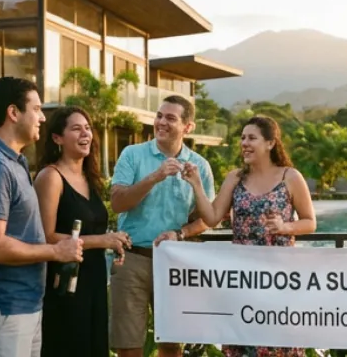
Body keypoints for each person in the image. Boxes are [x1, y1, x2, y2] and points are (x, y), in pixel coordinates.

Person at [0, 76, 83, 357]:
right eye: (36, 108)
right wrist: (54, 251)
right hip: (2, 310)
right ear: (13, 113)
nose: (42, 117)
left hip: (21, 306)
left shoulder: (14, 161)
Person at [182, 114, 316, 357]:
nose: (244, 143)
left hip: (280, 280)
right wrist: (196, 185)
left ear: (270, 143)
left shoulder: (291, 177)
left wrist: (285, 227)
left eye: (252, 138)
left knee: (279, 345)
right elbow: (212, 217)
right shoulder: (235, 177)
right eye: (243, 138)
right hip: (243, 277)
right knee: (243, 344)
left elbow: (310, 222)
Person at [108, 94, 215, 357]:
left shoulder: (200, 166)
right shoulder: (132, 155)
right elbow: (118, 203)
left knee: (171, 344)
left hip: (175, 262)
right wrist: (154, 177)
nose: (161, 122)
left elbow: (209, 218)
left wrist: (182, 233)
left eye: (170, 118)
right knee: (128, 344)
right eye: (159, 116)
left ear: (188, 127)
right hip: (132, 258)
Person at [34, 106, 132, 357]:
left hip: (94, 279)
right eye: (76, 128)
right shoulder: (51, 177)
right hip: (65, 282)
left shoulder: (91, 179)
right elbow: (46, 236)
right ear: (57, 138)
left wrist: (114, 242)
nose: (85, 134)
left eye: (87, 128)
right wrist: (102, 240)